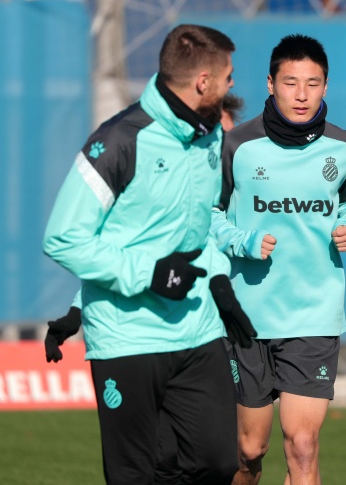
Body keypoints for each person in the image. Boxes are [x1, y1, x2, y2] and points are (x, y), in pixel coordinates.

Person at [42, 24, 255, 485]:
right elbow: (63, 237)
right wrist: (149, 273)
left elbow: (201, 230)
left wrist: (220, 283)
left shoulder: (210, 137)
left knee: (218, 463)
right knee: (137, 475)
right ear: (203, 82)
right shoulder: (120, 140)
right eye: (228, 76)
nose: (232, 84)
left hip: (197, 328)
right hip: (127, 336)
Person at [210, 34, 346, 485]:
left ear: (326, 86)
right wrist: (243, 241)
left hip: (314, 314)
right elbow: (207, 215)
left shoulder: (344, 145)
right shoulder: (236, 145)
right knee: (249, 451)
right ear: (270, 84)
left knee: (302, 446)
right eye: (290, 83)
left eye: (312, 83)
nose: (301, 95)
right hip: (248, 316)